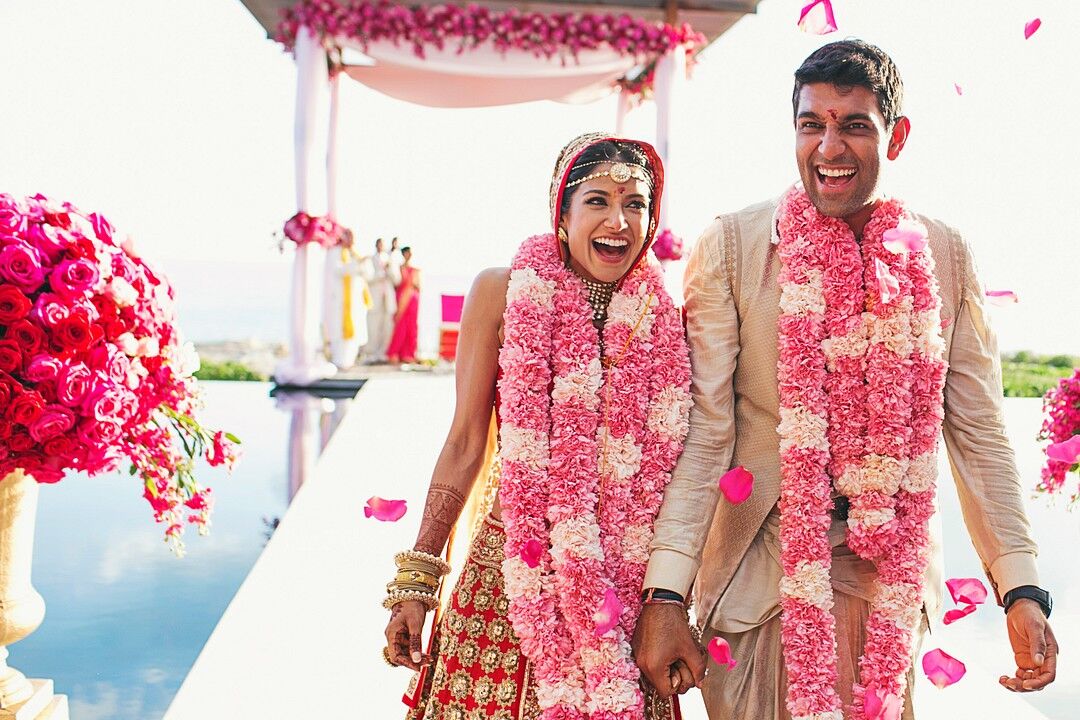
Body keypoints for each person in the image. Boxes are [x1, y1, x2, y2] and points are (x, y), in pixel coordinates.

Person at [632, 40, 1059, 719]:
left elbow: (979, 433)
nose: (829, 147)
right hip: (755, 584)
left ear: (898, 134)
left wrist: (1021, 589)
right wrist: (664, 593)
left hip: (883, 587)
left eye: (854, 125)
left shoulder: (943, 253)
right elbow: (705, 431)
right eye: (813, 124)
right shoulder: (736, 245)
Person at [381, 133, 693, 719]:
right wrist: (419, 579)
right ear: (563, 212)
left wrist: (670, 598)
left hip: (619, 581)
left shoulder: (666, 322)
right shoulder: (503, 292)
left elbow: (682, 470)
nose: (617, 221)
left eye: (636, 204)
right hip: (508, 574)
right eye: (597, 200)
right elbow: (467, 441)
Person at [323, 228, 369, 369]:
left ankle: (350, 360)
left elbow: (368, 273)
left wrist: (362, 264)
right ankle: (339, 360)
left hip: (355, 300)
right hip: (341, 300)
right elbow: (339, 270)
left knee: (355, 329)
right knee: (339, 331)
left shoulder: (355, 253)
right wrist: (357, 264)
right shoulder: (334, 253)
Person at [365, 237, 400, 363]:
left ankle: (383, 353)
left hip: (388, 299)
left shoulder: (390, 260)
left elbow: (397, 280)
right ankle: (372, 353)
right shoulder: (370, 260)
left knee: (387, 327)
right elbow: (367, 278)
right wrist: (379, 275)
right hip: (375, 298)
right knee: (373, 326)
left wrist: (389, 270)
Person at [386, 246, 421, 364]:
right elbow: (396, 284)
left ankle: (409, 353)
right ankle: (396, 352)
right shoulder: (399, 268)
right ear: (404, 254)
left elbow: (418, 286)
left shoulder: (416, 269)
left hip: (413, 299)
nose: (410, 255)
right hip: (402, 299)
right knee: (400, 325)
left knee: (411, 326)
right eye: (408, 253)